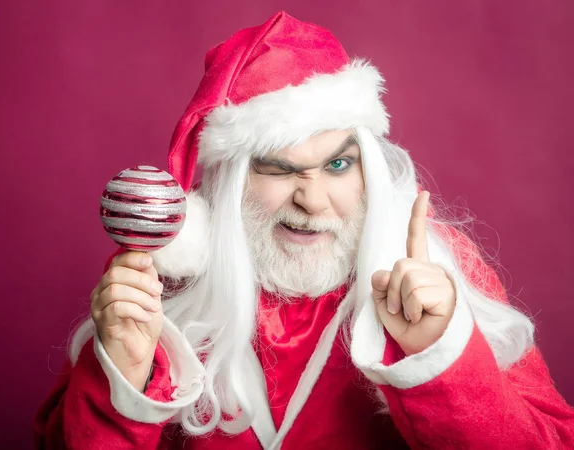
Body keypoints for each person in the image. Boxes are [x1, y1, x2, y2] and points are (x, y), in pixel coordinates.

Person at [34, 11, 574, 449]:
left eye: (338, 165)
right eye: (278, 168)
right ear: (231, 181)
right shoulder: (157, 287)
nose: (312, 200)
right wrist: (123, 377)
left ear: (369, 166)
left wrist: (441, 354)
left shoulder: (434, 273)